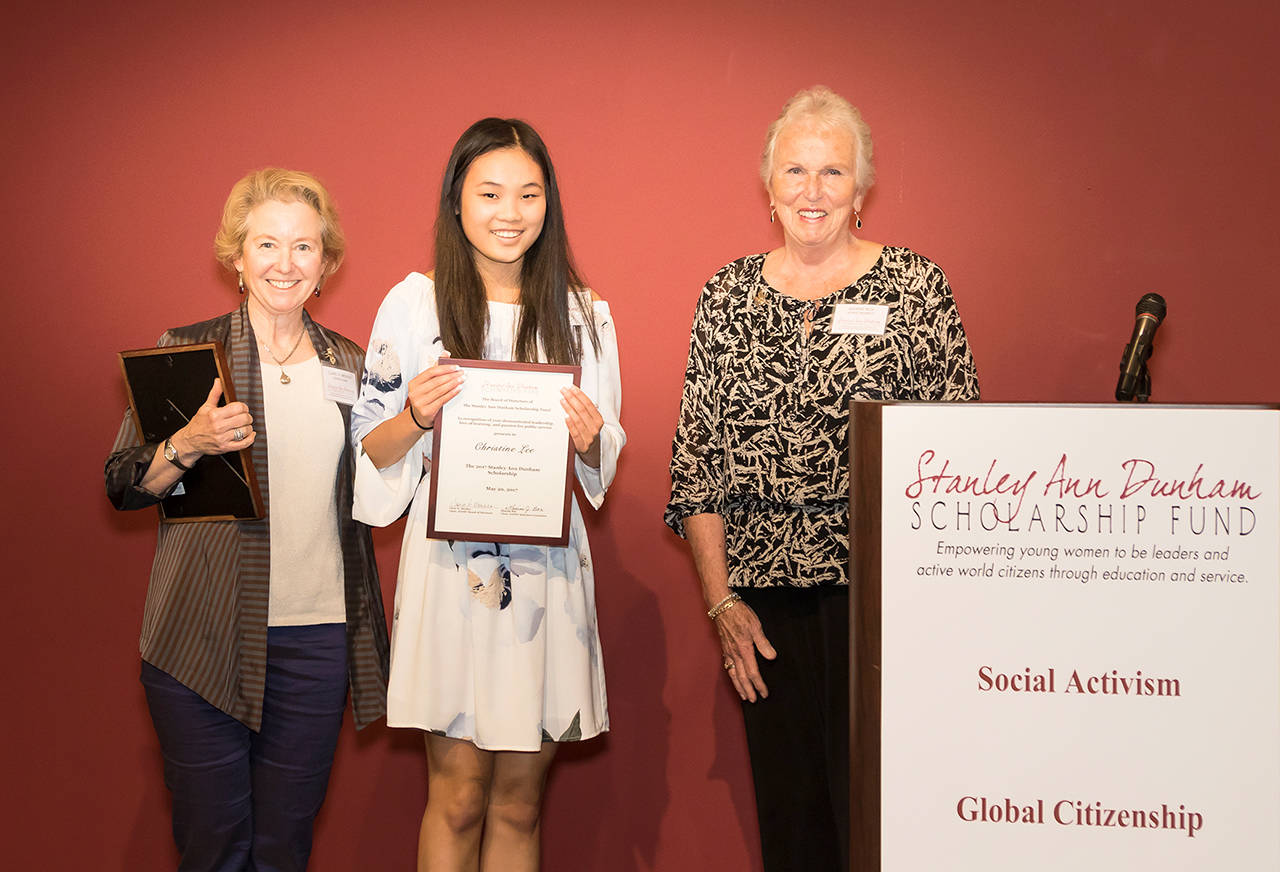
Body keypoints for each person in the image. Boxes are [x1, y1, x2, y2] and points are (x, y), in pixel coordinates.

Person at [664, 86, 979, 871]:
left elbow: (964, 454)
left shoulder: (914, 289)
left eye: (832, 173)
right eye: (795, 171)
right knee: (791, 820)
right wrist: (720, 600)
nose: (812, 192)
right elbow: (697, 464)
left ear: (862, 188)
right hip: (760, 601)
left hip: (883, 602)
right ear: (768, 187)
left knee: (879, 819)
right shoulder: (726, 296)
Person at [350, 117, 624, 872]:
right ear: (457, 201)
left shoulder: (581, 312)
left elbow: (605, 456)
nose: (511, 212)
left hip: (547, 577)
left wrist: (588, 435)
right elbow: (370, 449)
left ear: (549, 204)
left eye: (529, 194)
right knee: (461, 794)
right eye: (491, 192)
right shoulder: (414, 305)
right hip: (449, 576)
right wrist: (416, 414)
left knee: (518, 804)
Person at [105, 168, 390, 872]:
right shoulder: (188, 351)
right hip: (200, 639)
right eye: (267, 245)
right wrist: (187, 444)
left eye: (303, 247)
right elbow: (122, 484)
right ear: (236, 257)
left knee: (283, 850)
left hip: (316, 645)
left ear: (325, 263)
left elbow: (381, 491)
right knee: (215, 851)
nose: (285, 264)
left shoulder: (351, 364)